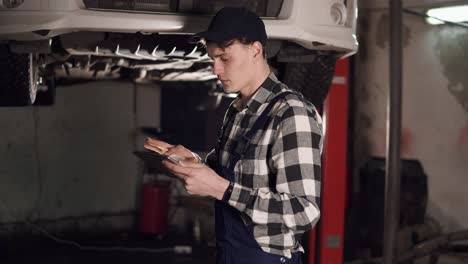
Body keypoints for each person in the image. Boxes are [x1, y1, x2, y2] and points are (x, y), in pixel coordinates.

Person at [144, 7, 323, 264]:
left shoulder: (291, 113)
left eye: (224, 58)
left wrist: (220, 189)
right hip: (229, 254)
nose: (216, 69)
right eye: (212, 59)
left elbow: (304, 212)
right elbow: (232, 174)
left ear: (256, 51)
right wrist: (193, 161)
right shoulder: (237, 110)